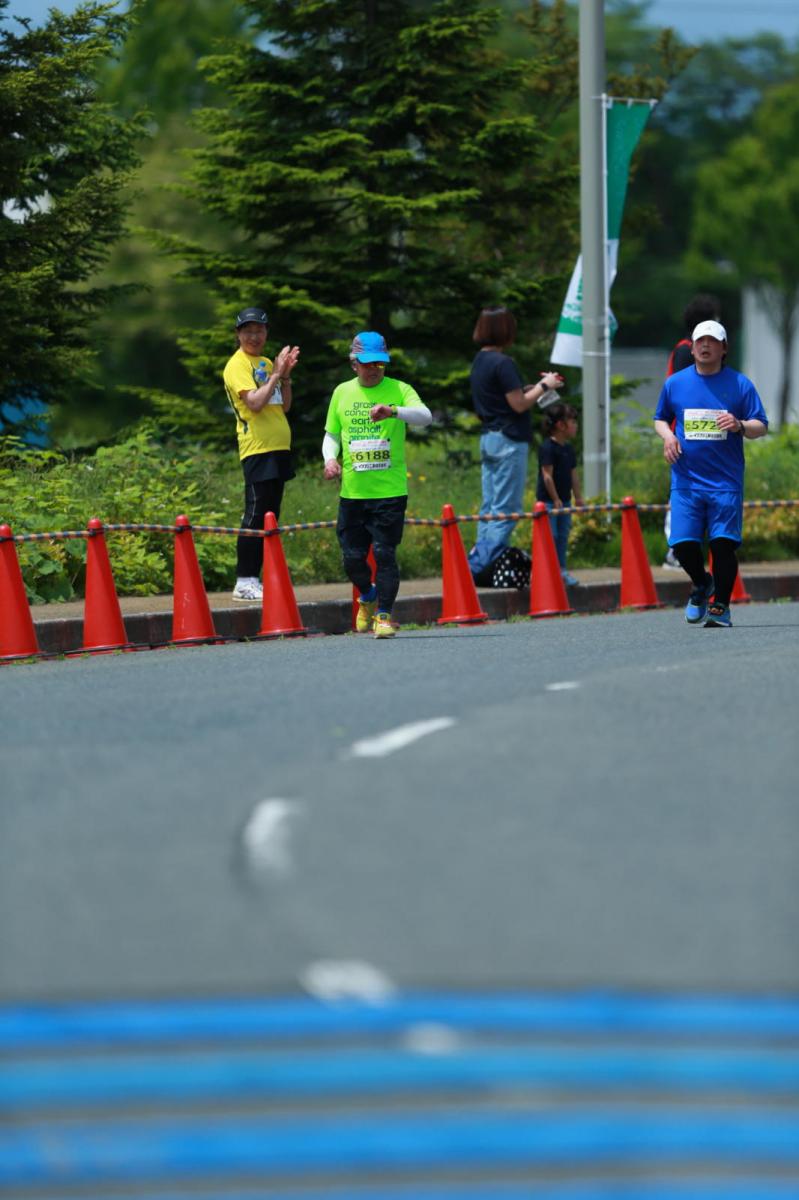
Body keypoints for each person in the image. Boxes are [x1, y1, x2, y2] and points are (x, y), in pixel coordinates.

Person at [654, 319, 768, 627]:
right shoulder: (675, 384)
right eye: (699, 341)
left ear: (724, 348)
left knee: (722, 544)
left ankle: (721, 607)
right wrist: (668, 437)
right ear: (691, 348)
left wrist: (740, 425)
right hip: (686, 480)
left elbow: (761, 425)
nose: (705, 346)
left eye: (712, 341)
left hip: (725, 482)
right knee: (681, 544)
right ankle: (702, 584)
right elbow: (660, 419)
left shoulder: (740, 384)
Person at [323, 331, 432, 638]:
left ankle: (383, 616)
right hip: (353, 493)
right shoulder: (342, 393)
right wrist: (330, 459)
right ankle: (367, 597)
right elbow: (331, 435)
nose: (374, 369)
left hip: (390, 492)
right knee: (352, 559)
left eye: (380, 364)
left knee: (385, 554)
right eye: (368, 363)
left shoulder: (399, 389)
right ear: (353, 363)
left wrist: (393, 411)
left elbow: (426, 416)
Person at [468, 305, 564, 581]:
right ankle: (480, 568)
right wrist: (545, 385)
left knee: (490, 506)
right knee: (506, 510)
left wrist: (536, 387)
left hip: (489, 437)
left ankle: (479, 562)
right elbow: (519, 404)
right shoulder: (504, 363)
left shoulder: (480, 361)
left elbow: (500, 398)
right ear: (505, 330)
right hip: (510, 440)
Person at [223, 307, 300, 601]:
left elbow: (284, 406)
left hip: (278, 447)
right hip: (256, 448)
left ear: (266, 332)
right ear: (238, 334)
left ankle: (261, 577)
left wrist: (285, 376)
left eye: (259, 330)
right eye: (247, 331)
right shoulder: (237, 365)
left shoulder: (267, 363)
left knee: (271, 516)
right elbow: (254, 403)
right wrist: (277, 373)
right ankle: (244, 579)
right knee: (255, 514)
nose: (253, 336)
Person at [662, 294, 722, 569]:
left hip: (696, 432)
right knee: (683, 490)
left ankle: (686, 548)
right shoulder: (688, 351)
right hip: (685, 433)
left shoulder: (684, 348)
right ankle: (677, 550)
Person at [536, 401, 584, 587]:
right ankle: (548, 572)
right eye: (572, 422)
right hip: (549, 502)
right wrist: (555, 499)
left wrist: (577, 497)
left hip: (564, 501)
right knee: (551, 537)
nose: (575, 426)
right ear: (560, 425)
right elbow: (546, 476)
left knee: (563, 536)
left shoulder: (569, 449)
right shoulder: (548, 447)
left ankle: (561, 570)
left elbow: (573, 475)